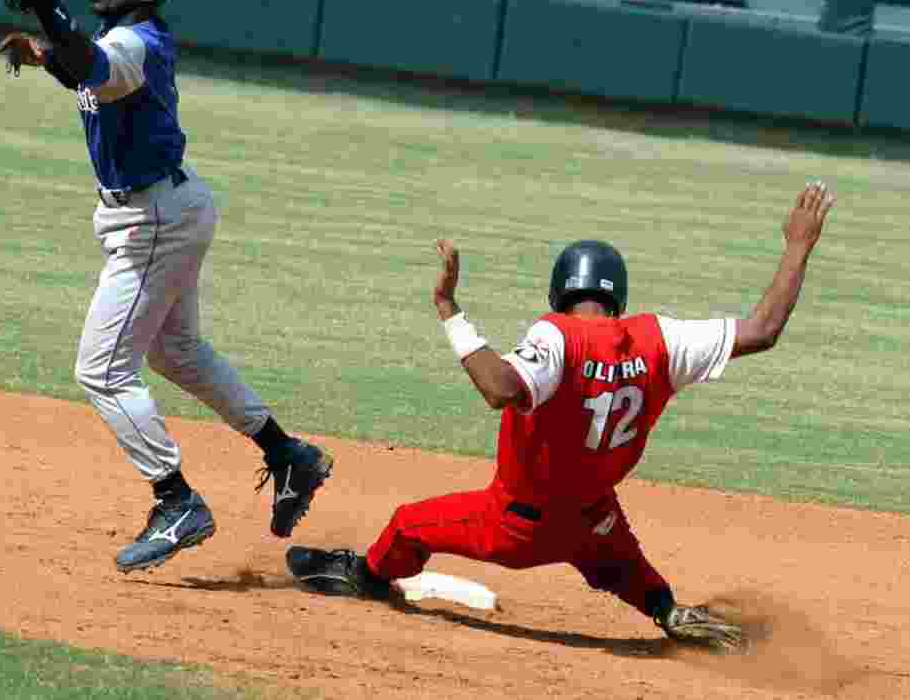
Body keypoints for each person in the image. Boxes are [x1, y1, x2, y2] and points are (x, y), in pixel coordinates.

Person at [286, 182, 836, 653]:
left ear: (558, 291)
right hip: (596, 525)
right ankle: (668, 610)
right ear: (617, 295)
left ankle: (367, 576)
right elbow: (763, 330)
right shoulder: (659, 337)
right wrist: (798, 244)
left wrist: (450, 311)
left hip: (516, 527)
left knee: (408, 524)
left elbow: (498, 389)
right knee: (625, 568)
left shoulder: (556, 334)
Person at [0, 0, 332, 573]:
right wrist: (43, 54)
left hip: (152, 221)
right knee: (175, 350)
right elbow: (84, 66)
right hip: (168, 208)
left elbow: (97, 65)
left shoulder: (137, 42)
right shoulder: (119, 41)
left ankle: (176, 500)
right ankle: (288, 455)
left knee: (102, 369)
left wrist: (42, 1)